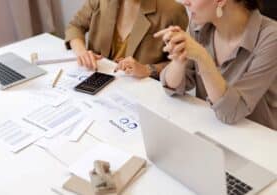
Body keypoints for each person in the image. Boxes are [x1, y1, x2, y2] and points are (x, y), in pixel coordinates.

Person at [155, 0, 277, 130]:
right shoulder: (199, 25)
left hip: (256, 141)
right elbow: (171, 87)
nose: (185, 2)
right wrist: (178, 59)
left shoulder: (271, 38)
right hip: (211, 131)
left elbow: (231, 112)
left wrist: (202, 57)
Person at [65, 0, 188, 79]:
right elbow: (75, 26)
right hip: (96, 80)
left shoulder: (173, 11)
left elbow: (183, 63)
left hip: (141, 91)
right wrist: (82, 52)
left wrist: (147, 70)